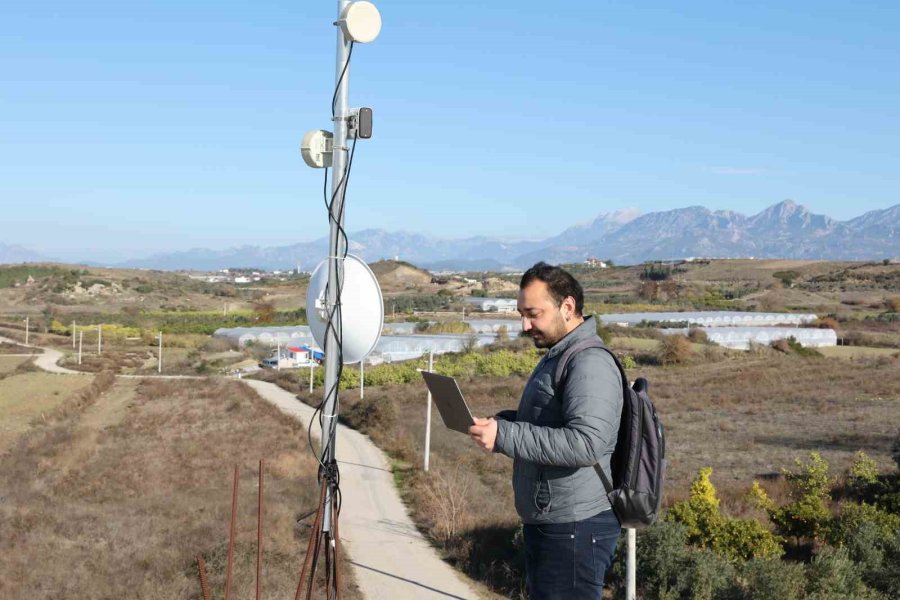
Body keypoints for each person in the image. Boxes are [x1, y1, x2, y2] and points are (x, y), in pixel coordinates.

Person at [468, 261, 623, 599]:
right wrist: (500, 425)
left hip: (576, 526)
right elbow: (548, 423)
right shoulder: (559, 354)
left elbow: (586, 443)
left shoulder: (589, 362)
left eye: (533, 313)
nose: (525, 325)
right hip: (556, 521)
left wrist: (505, 436)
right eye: (522, 314)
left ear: (567, 307)